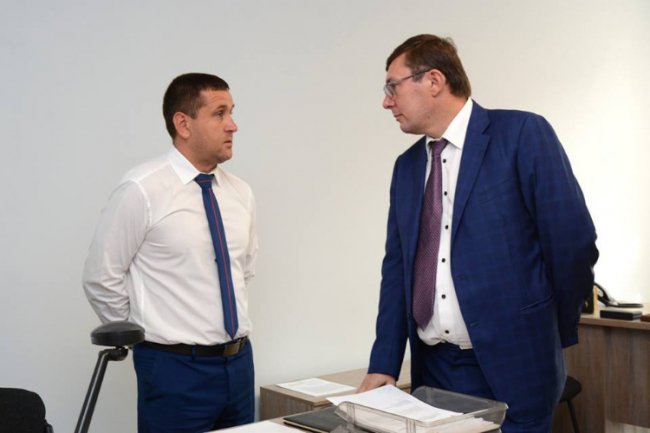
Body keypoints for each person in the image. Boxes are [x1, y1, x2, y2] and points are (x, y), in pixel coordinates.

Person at [359, 35, 598, 433]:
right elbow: (397, 270)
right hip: (435, 373)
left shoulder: (521, 134)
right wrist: (384, 362)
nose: (387, 102)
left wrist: (546, 330)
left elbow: (572, 243)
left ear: (433, 81)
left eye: (392, 87)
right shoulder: (407, 167)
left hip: (517, 366)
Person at [83, 73, 258, 433]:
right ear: (183, 124)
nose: (233, 125)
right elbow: (101, 277)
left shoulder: (240, 193)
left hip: (239, 363)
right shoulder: (142, 189)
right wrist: (147, 339)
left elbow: (243, 270)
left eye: (232, 112)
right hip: (174, 369)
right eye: (219, 113)